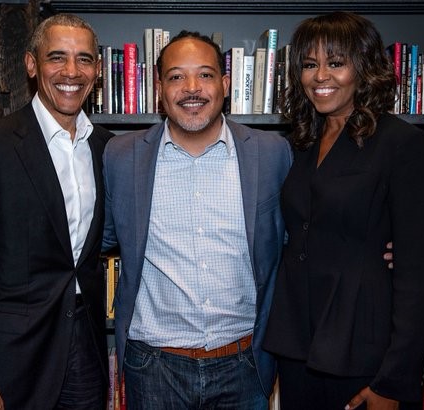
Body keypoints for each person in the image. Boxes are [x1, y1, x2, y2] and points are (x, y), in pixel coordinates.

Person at [102, 31, 292, 409]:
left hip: (245, 363)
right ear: (159, 88)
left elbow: (300, 238)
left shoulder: (272, 153)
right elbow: (96, 237)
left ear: (224, 84)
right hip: (153, 365)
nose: (192, 88)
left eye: (205, 75)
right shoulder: (121, 157)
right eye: (176, 77)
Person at [263, 11, 424, 410]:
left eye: (336, 63)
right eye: (310, 65)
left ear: (364, 69)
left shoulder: (403, 144)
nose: (320, 76)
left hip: (364, 349)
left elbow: (417, 274)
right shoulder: (301, 142)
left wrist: (393, 381)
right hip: (298, 344)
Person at [0, 13, 112, 409]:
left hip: (85, 350)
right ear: (31, 64)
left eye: (84, 59)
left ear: (98, 70)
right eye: (57, 57)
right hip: (12, 360)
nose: (71, 71)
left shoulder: (109, 148)